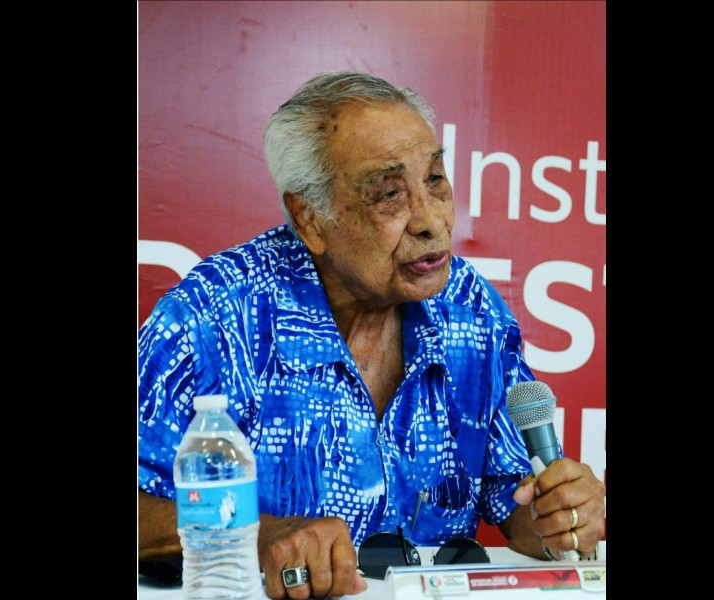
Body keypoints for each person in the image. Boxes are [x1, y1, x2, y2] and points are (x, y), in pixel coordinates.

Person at [138, 70, 606, 599]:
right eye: (389, 194)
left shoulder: (472, 311)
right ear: (310, 219)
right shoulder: (216, 313)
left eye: (435, 180)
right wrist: (255, 533)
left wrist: (559, 518)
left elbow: (518, 505)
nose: (432, 220)